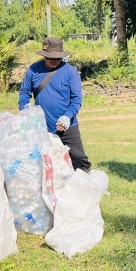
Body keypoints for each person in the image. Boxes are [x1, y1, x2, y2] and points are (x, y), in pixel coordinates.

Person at [19, 37, 91, 172]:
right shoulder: (33, 70)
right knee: (43, 161)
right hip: (41, 125)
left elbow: (76, 99)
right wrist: (25, 109)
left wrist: (67, 116)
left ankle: (84, 178)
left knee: (78, 157)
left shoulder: (70, 72)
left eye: (57, 58)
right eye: (50, 57)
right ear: (44, 55)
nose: (53, 60)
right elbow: (24, 92)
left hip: (67, 125)